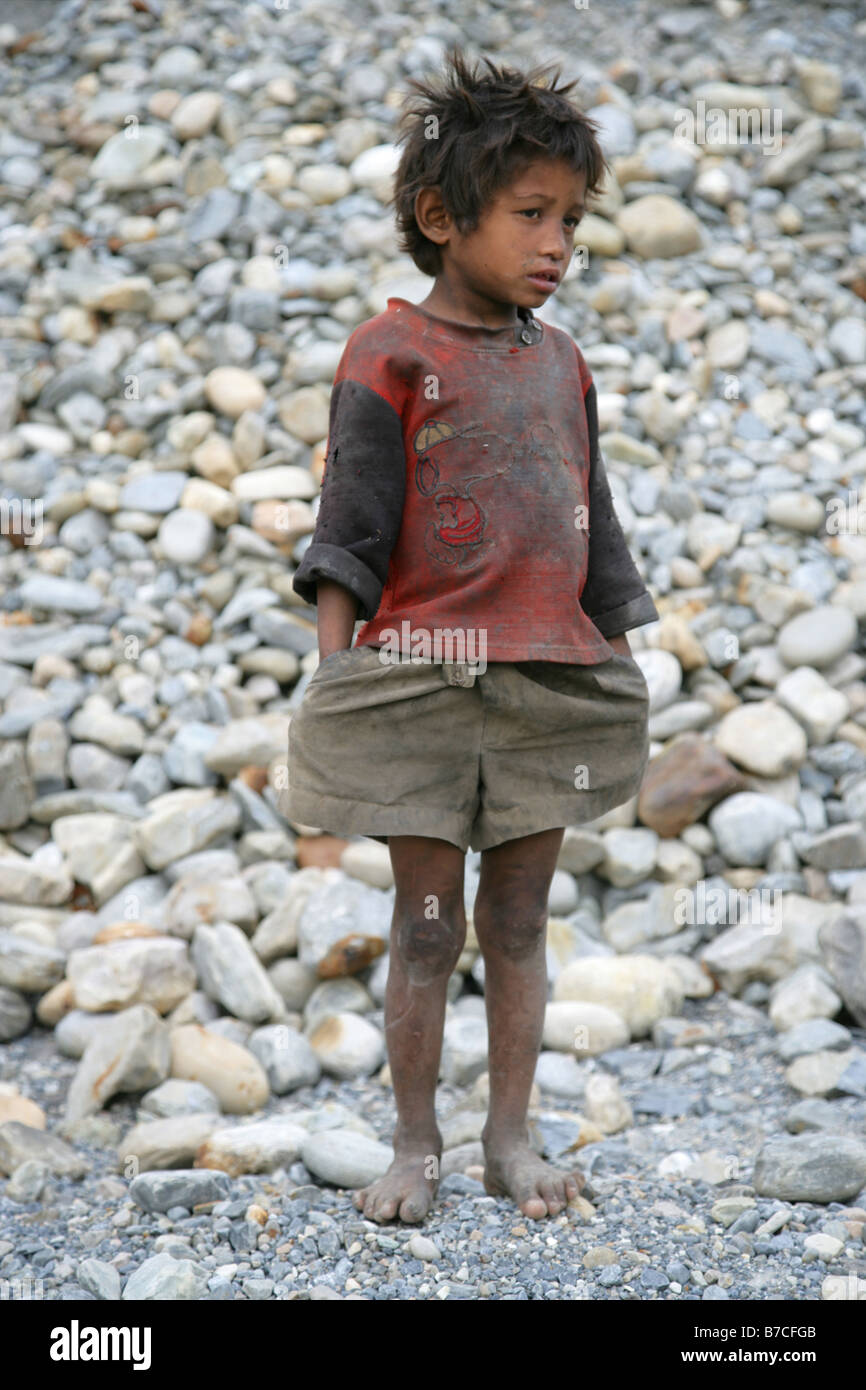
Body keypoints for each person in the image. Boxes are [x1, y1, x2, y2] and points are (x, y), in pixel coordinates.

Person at [287, 48, 658, 1224]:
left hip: (546, 677)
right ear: (441, 218)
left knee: (519, 919)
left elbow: (589, 515)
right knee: (428, 926)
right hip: (418, 683)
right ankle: (413, 1147)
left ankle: (510, 1137)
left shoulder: (562, 364)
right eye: (530, 215)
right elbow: (347, 528)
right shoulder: (387, 356)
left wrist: (613, 641)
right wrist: (338, 679)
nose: (557, 245)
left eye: (571, 221)